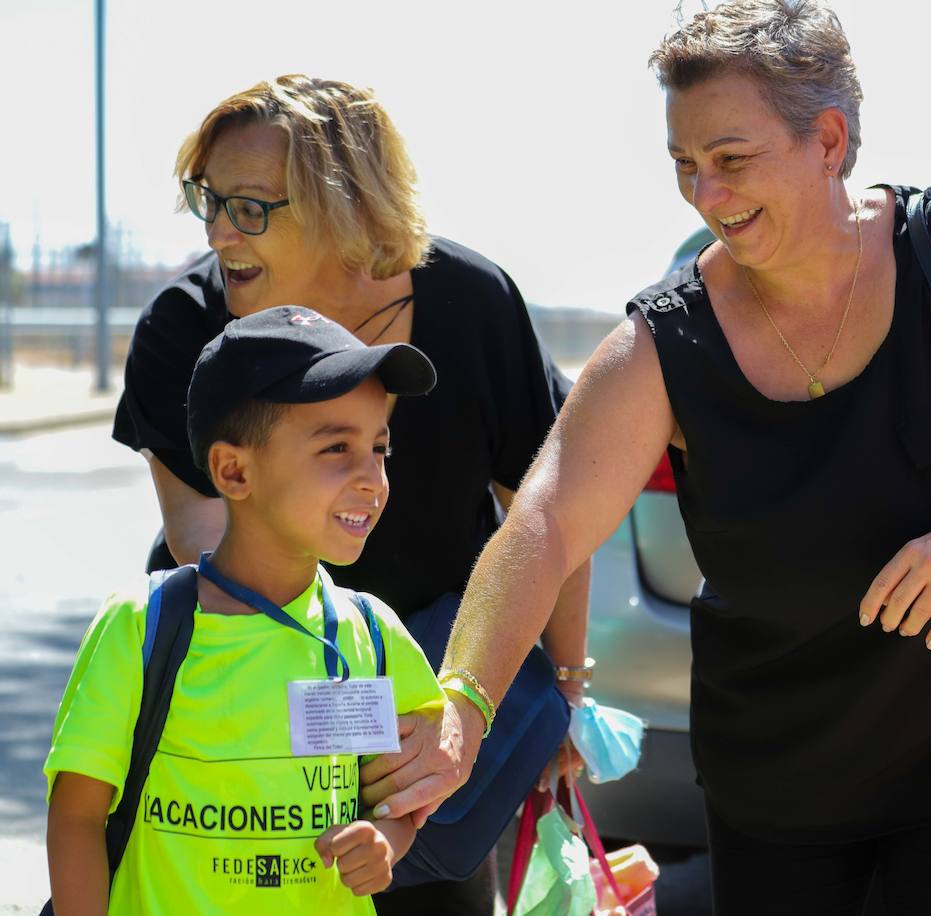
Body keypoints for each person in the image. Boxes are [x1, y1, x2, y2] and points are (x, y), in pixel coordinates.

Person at [372, 2, 931, 912]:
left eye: (732, 160)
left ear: (827, 140)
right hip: (776, 778)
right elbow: (542, 523)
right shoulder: (665, 342)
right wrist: (463, 705)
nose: (707, 196)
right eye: (684, 167)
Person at [111, 75, 590, 912]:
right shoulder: (181, 328)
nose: (221, 230)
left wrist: (564, 694)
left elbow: (545, 517)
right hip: (242, 715)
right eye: (209, 200)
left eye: (252, 207)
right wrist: (367, 714)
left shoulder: (473, 303)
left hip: (447, 684)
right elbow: (202, 542)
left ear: (344, 204)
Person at [46, 306, 444, 914]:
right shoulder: (141, 627)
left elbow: (395, 802)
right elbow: (75, 818)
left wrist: (384, 844)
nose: (372, 478)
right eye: (337, 447)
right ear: (234, 470)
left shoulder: (371, 633)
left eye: (380, 448)